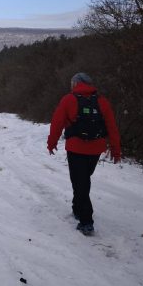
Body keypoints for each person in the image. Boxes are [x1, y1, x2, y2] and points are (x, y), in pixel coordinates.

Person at [47, 72, 121, 236]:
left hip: (75, 148)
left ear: (76, 84)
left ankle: (86, 221)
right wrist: (116, 149)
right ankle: (77, 207)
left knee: (81, 182)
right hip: (96, 149)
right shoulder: (102, 101)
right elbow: (112, 127)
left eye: (71, 83)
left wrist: (51, 142)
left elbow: (57, 123)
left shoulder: (68, 99)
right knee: (82, 180)